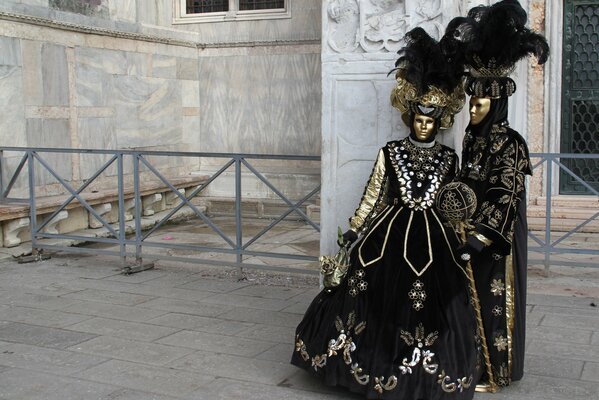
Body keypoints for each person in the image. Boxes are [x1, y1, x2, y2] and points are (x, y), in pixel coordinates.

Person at [291, 28, 481, 400]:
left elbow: (452, 201)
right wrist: (354, 228)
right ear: (410, 117)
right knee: (369, 290)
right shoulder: (391, 152)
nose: (424, 125)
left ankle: (423, 373)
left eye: (431, 120)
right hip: (388, 233)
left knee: (437, 298)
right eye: (419, 118)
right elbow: (374, 194)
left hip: (434, 236)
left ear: (440, 120)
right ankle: (365, 366)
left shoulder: (448, 157)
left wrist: (464, 229)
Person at [446, 0, 549, 391]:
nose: (473, 109)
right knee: (466, 303)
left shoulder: (512, 144)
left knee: (493, 301)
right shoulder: (472, 138)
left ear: (497, 103)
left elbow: (505, 195)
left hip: (496, 237)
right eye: (471, 102)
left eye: (480, 103)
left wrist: (478, 237)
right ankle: (470, 362)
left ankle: (495, 370)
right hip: (468, 229)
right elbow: (465, 180)